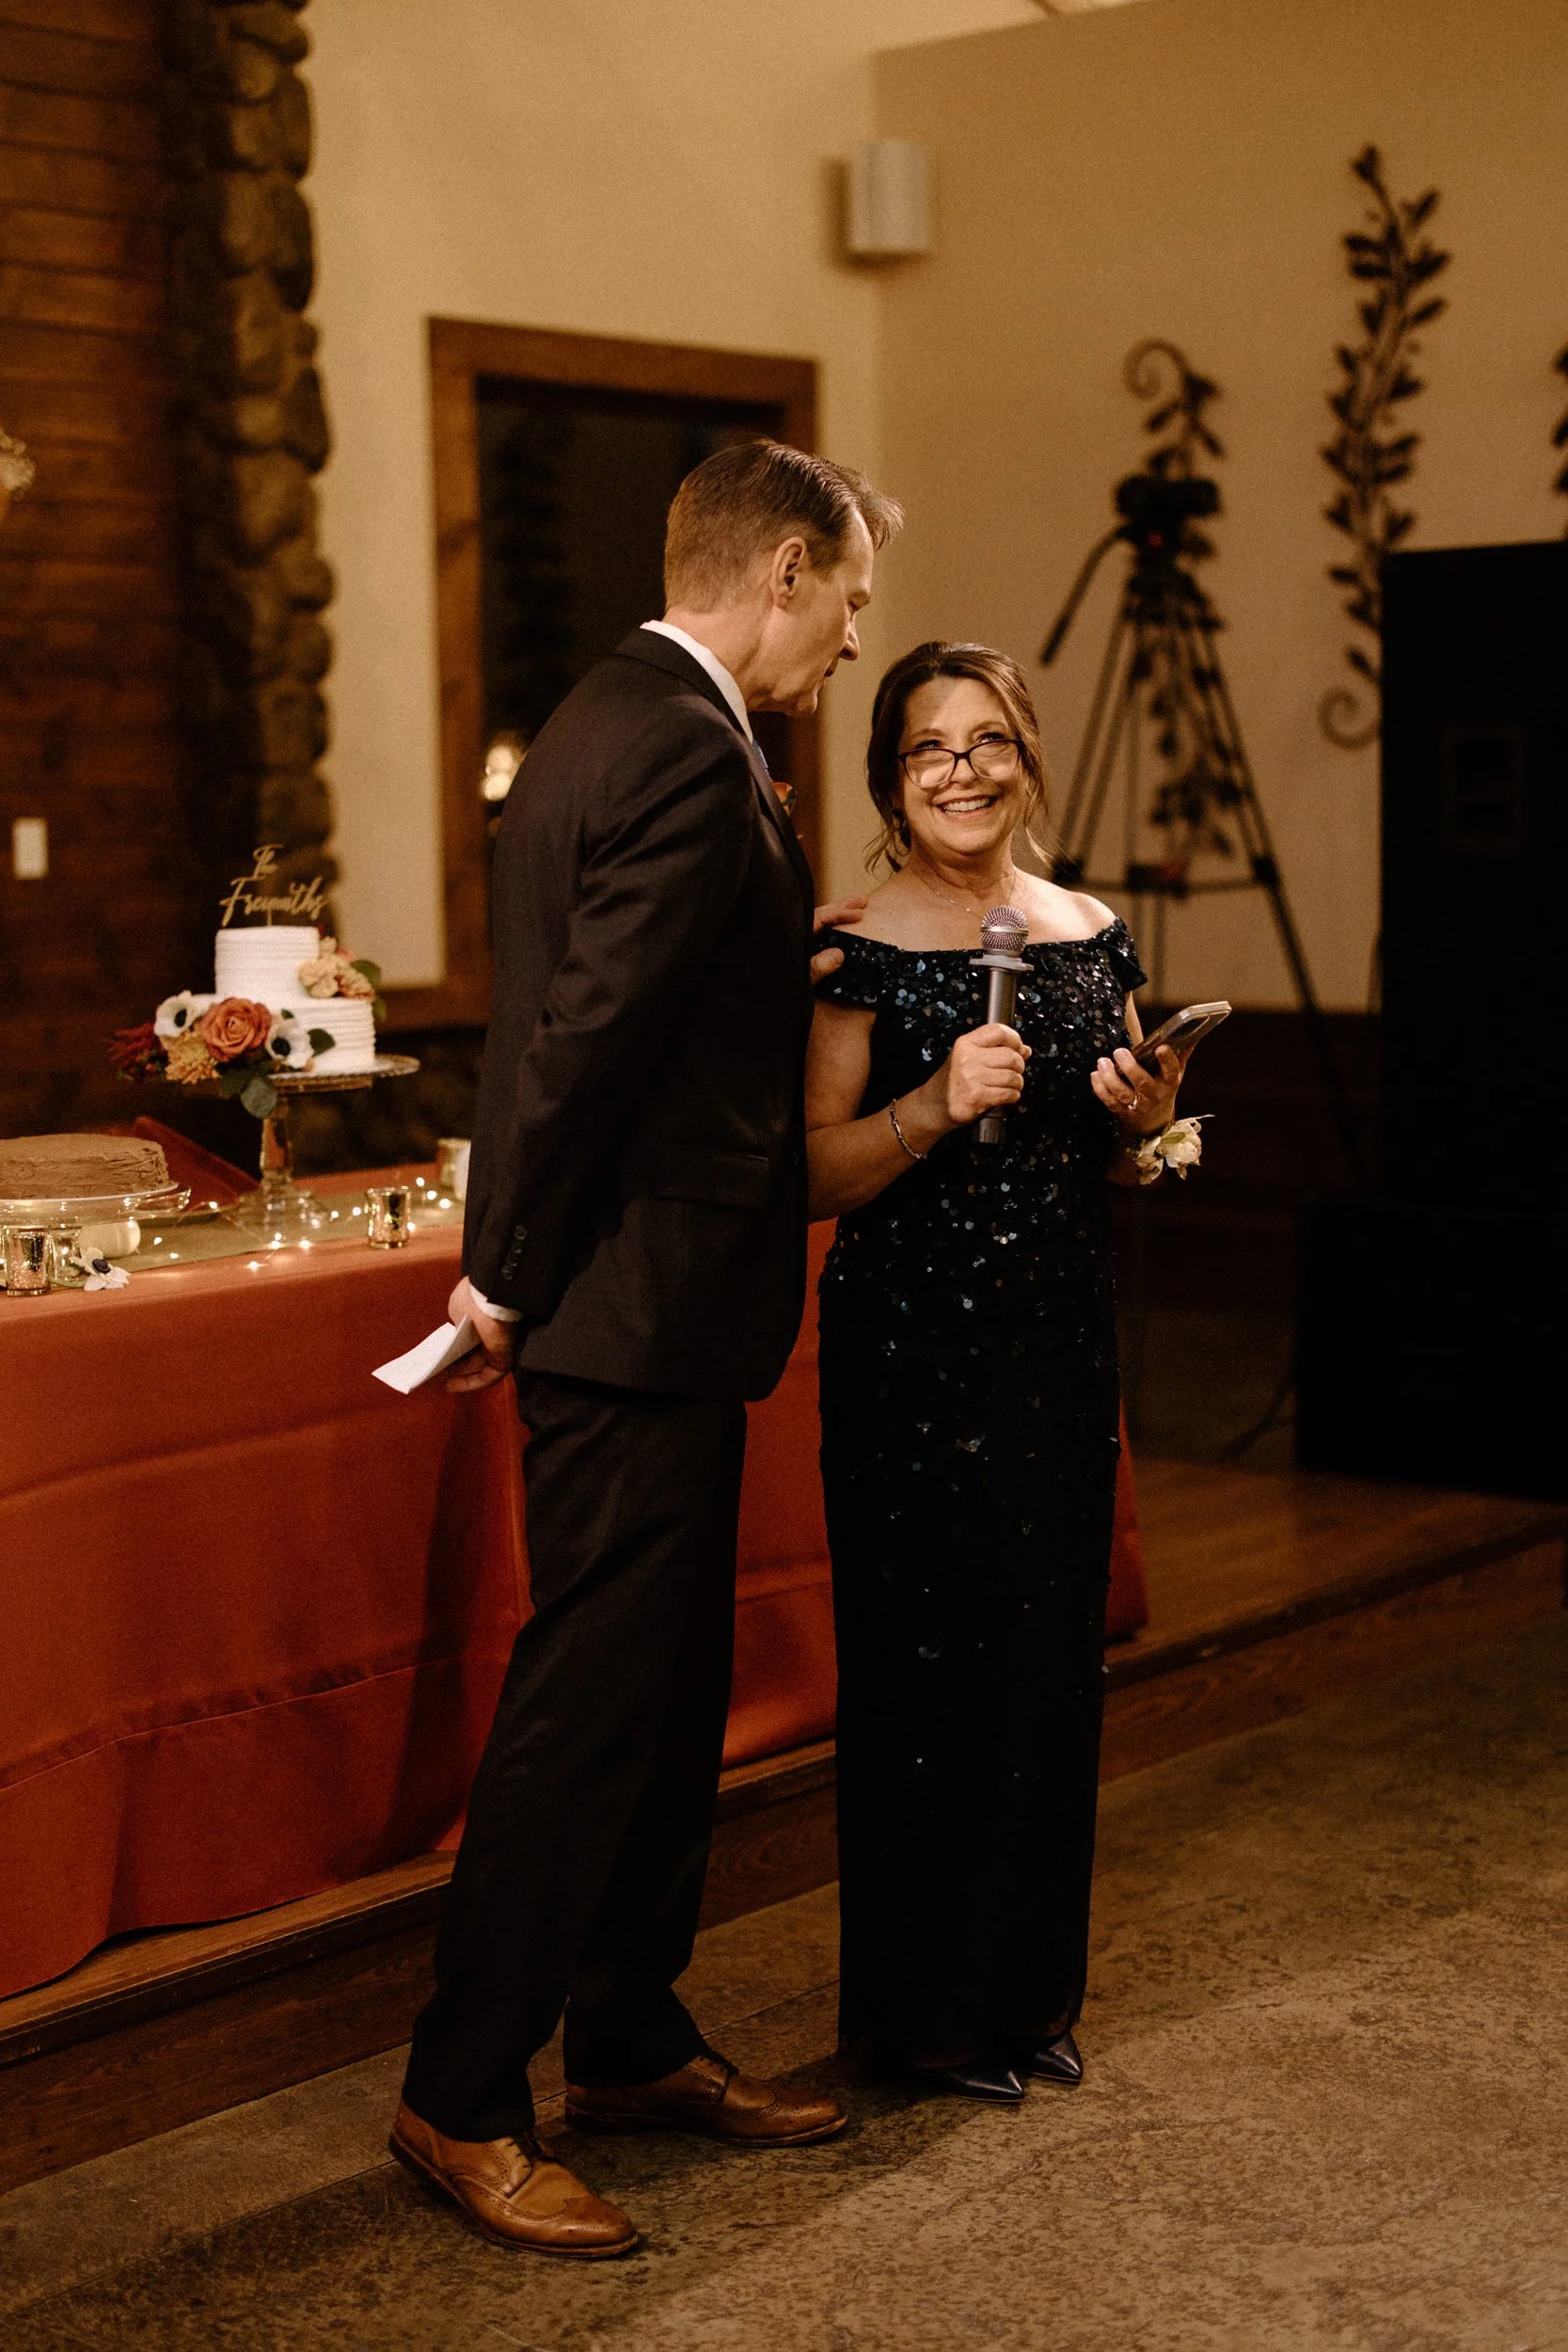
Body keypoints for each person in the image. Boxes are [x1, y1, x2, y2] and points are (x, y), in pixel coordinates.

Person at [392, 441, 901, 2257]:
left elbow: (638, 993)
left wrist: (783, 958)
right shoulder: (687, 745)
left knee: (672, 1693)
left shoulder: (607, 717)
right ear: (783, 570)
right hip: (622, 1303)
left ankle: (626, 2038)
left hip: (655, 1305)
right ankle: (461, 2097)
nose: (854, 640)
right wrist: (502, 1279)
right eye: (849, 600)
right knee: (590, 1708)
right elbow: (579, 1040)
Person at [806, 641, 1190, 2103]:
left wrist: (1143, 1119)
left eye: (985, 743)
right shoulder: (857, 945)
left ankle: (1027, 1997)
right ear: (888, 778)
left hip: (1055, 1343)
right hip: (908, 1350)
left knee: (1043, 1668)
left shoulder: (1088, 931)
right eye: (927, 747)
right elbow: (804, 1175)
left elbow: (1127, 1162)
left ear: (1026, 759)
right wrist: (928, 1105)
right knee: (923, 1673)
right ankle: (921, 2020)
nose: (959, 771)